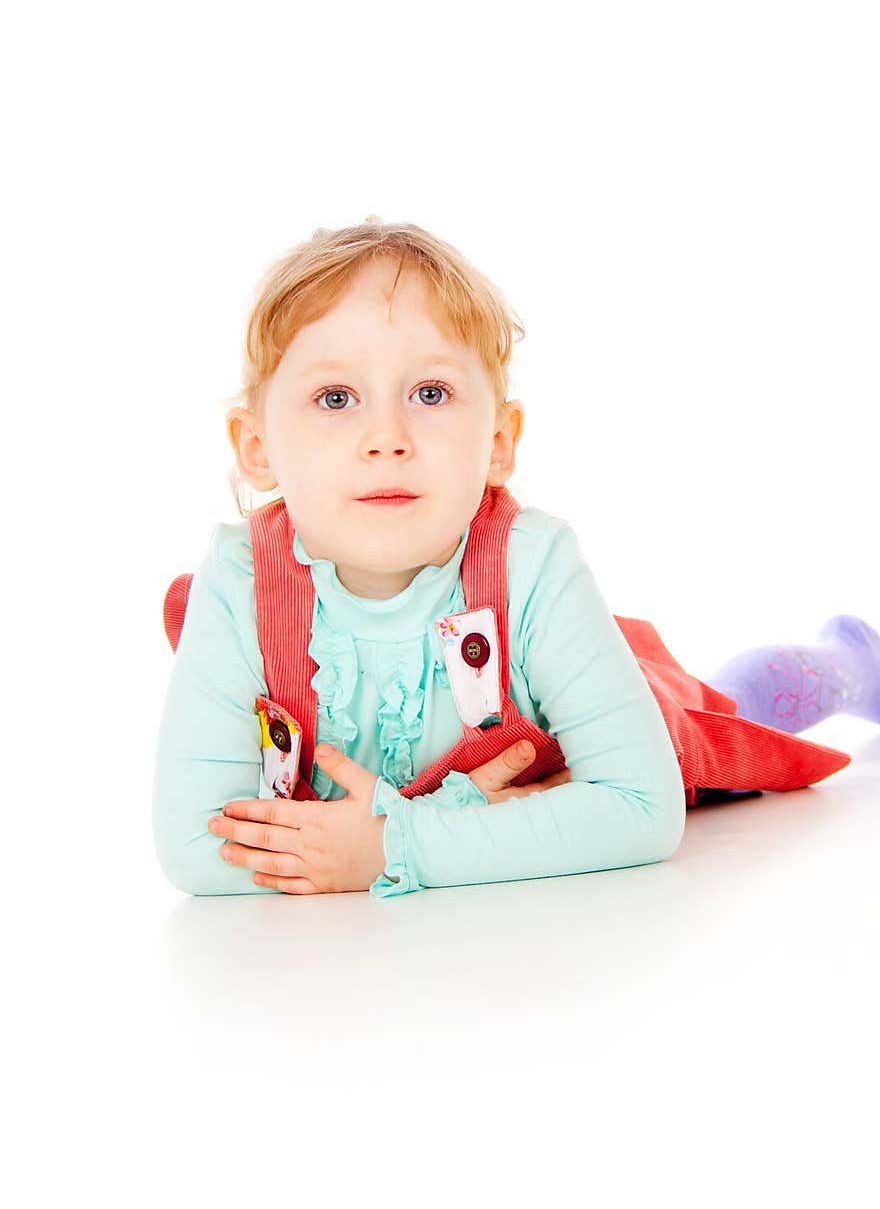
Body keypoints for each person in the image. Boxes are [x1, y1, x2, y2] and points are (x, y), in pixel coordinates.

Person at [152, 219, 878, 899]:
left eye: (429, 392)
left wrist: (394, 848)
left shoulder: (535, 564)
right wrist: (471, 828)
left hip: (600, 708)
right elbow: (190, 842)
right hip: (518, 772)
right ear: (256, 447)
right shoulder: (240, 584)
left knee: (727, 713)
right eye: (335, 397)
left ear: (500, 440)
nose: (386, 436)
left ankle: (847, 662)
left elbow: (643, 808)